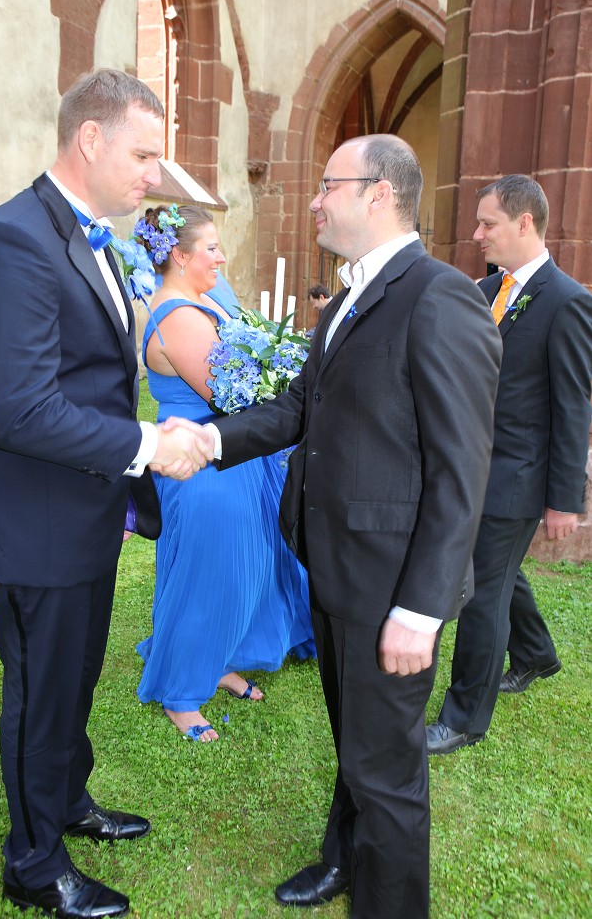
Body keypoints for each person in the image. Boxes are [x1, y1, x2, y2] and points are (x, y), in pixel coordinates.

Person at [166, 135, 502, 916]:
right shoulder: (353, 293)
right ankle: (342, 859)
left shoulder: (438, 296)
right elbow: (300, 407)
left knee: (388, 773)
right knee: (357, 741)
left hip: (391, 585)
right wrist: (210, 440)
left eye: (327, 185)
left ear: (378, 192)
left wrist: (420, 610)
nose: (314, 200)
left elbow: (461, 469)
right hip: (334, 564)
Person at [0, 69, 213, 919]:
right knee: (40, 692)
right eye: (142, 155)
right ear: (89, 139)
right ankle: (33, 865)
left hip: (85, 511)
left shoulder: (92, 236)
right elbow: (18, 408)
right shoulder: (11, 240)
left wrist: (122, 475)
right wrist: (148, 444)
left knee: (75, 677)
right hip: (35, 521)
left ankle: (65, 802)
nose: (153, 175)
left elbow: (91, 378)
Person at [135, 204, 315, 742]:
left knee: (242, 571)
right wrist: (288, 382)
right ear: (178, 254)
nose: (221, 257)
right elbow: (229, 393)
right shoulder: (177, 316)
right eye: (210, 248)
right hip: (201, 464)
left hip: (231, 454)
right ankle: (181, 693)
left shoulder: (206, 298)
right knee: (208, 577)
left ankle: (218, 660)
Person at [426, 174, 592, 755]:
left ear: (525, 223)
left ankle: (464, 719)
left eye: (487, 223)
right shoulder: (484, 289)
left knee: (480, 593)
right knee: (500, 573)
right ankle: (536, 653)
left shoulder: (567, 302)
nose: (476, 234)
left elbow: (573, 407)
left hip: (516, 475)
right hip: (470, 465)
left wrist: (564, 500)